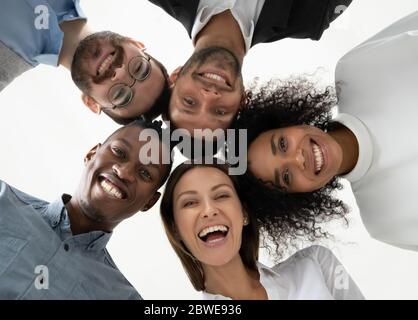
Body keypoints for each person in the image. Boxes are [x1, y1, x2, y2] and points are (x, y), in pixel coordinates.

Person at [241, 11, 418, 251]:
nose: (297, 158)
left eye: (282, 144)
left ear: (288, 122)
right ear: (298, 196)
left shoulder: (357, 71)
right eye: (285, 177)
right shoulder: (385, 222)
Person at [0, 119, 172, 299]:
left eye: (145, 173)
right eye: (119, 152)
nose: (124, 172)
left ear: (149, 202)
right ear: (91, 154)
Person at [160, 162, 363, 299]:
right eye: (190, 203)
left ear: (244, 214)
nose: (209, 210)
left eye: (221, 195)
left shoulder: (316, 264)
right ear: (175, 229)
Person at [148, 0, 352, 137]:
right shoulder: (310, 17)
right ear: (242, 100)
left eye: (189, 102)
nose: (210, 95)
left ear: (175, 76)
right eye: (219, 111)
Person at [0, 1, 171, 124]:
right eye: (139, 68)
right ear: (134, 42)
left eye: (120, 95)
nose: (119, 74)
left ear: (91, 103)